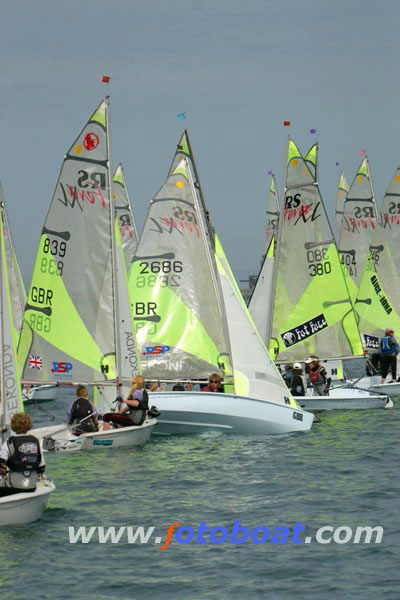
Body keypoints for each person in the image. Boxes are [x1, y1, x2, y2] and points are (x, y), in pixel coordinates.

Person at [0, 412, 45, 497]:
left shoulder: (9, 443)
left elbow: (1, 464)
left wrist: (4, 472)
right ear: (29, 424)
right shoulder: (36, 441)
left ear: (13, 425)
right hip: (31, 487)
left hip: (13, 487)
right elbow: (42, 467)